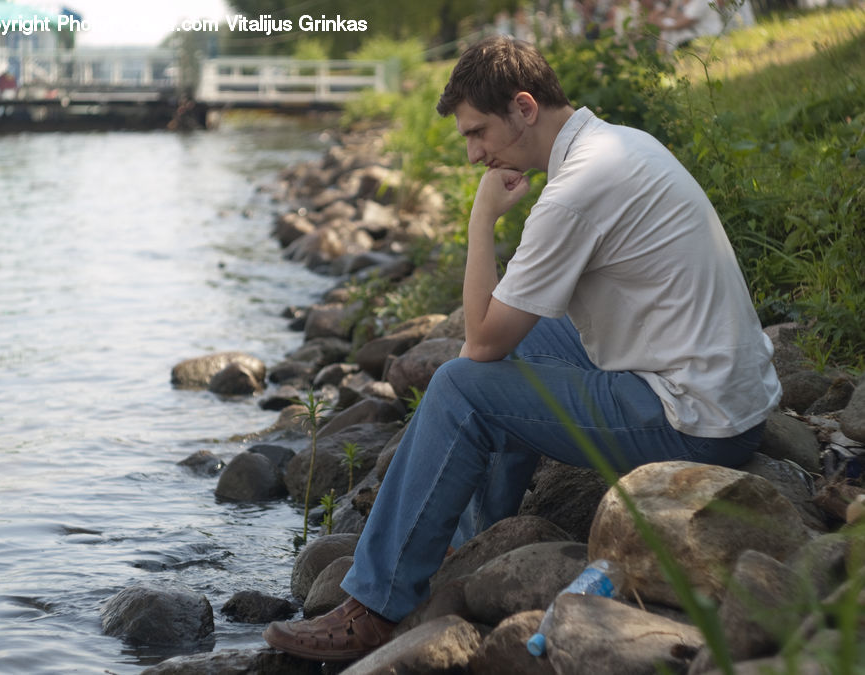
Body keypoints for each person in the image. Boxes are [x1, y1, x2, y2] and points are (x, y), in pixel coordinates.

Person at [263, 35, 781, 661]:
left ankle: (373, 604)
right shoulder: (618, 145)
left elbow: (481, 340)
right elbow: (512, 324)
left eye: (479, 132)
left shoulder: (575, 191)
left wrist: (481, 220)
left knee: (461, 383)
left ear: (526, 107)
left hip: (695, 419)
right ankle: (478, 540)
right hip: (720, 387)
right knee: (522, 346)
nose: (476, 151)